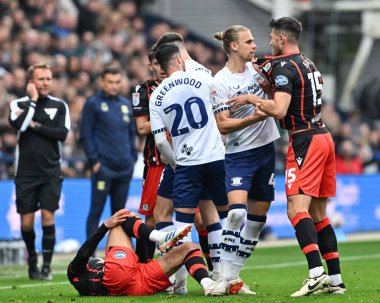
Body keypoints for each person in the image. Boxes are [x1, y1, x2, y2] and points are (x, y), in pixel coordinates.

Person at [227, 17, 346, 296]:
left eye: (270, 36)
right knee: (319, 214)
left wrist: (251, 99)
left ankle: (316, 274)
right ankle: (336, 279)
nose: (267, 41)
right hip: (323, 136)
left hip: (305, 140)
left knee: (296, 208)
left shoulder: (283, 66)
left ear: (281, 38)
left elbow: (280, 111)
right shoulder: (307, 63)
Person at [151, 32, 227, 293]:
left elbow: (161, 143)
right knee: (216, 214)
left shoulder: (157, 94)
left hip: (184, 161)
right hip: (215, 157)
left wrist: (176, 163)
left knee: (180, 222)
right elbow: (221, 112)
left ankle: (180, 281)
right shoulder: (204, 75)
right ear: (182, 55)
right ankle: (223, 274)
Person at [209, 25, 280, 295]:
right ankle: (222, 276)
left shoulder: (260, 69)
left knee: (257, 220)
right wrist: (258, 115)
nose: (254, 45)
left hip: (266, 150)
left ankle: (234, 278)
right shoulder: (220, 82)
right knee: (237, 213)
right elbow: (223, 125)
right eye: (249, 41)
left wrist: (263, 104)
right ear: (234, 46)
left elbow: (278, 98)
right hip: (239, 154)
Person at [67, 209, 223, 296]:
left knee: (190, 247)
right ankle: (160, 237)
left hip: (139, 282)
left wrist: (140, 233)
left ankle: (208, 284)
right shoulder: (75, 272)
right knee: (122, 217)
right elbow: (83, 254)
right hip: (117, 280)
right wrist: (105, 226)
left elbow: (141, 263)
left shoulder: (85, 279)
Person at [8, 62, 70, 280]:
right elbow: (21, 125)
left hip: (50, 172)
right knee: (26, 222)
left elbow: (61, 134)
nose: (45, 83)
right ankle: (32, 260)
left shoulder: (60, 105)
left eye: (48, 79)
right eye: (41, 79)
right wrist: (33, 102)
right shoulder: (18, 103)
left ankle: (47, 267)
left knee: (47, 217)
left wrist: (37, 126)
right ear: (30, 82)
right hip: (25, 173)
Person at [80, 66, 137, 245]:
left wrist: (133, 158)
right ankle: (89, 255)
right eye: (110, 82)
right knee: (96, 211)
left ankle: (120, 253)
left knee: (120, 213)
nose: (114, 86)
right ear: (102, 82)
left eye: (117, 82)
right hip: (103, 168)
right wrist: (95, 162)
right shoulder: (93, 104)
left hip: (124, 169)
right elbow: (85, 135)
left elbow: (131, 134)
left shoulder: (125, 104)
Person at [132, 45, 167, 262]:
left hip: (187, 159)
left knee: (201, 219)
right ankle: (142, 267)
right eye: (156, 63)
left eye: (165, 63)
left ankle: (216, 271)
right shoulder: (142, 90)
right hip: (155, 162)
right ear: (150, 65)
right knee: (152, 219)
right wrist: (173, 116)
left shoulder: (184, 85)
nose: (161, 68)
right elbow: (142, 128)